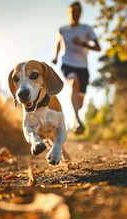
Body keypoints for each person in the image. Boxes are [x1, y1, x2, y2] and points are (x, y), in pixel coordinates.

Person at [52, 1, 101, 134]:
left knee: (80, 102)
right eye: (73, 11)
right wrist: (56, 57)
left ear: (81, 13)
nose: (76, 14)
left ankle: (76, 118)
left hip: (83, 67)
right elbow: (58, 42)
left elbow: (98, 47)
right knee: (73, 83)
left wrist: (83, 43)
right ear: (69, 13)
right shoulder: (63, 29)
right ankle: (77, 121)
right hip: (67, 64)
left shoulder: (86, 29)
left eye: (78, 11)